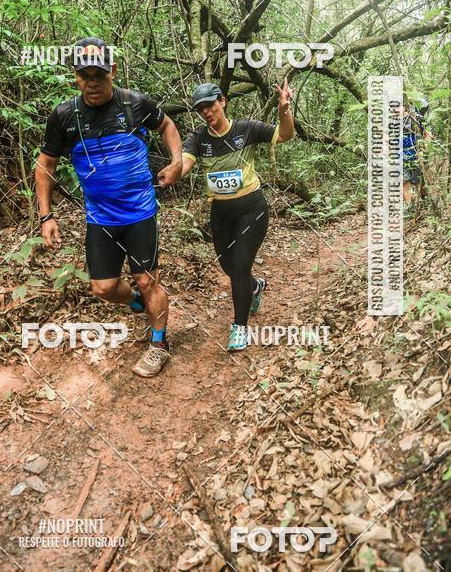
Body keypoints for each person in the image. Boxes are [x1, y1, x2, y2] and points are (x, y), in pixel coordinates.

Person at [35, 37, 183, 378]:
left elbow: (167, 125)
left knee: (147, 280)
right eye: (84, 75)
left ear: (112, 71)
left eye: (99, 75)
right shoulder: (64, 117)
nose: (92, 83)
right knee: (103, 288)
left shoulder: (134, 104)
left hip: (140, 213)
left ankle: (159, 344)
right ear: (75, 76)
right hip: (100, 218)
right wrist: (46, 216)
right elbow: (46, 165)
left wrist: (176, 162)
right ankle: (138, 304)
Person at [181, 80, 294, 351]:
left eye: (210, 105)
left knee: (240, 266)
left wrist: (284, 110)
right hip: (220, 213)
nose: (206, 112)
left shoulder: (246, 128)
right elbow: (184, 164)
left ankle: (239, 328)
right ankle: (255, 287)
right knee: (229, 268)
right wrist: (169, 175)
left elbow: (284, 135)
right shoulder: (199, 137)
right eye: (200, 109)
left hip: (251, 209)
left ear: (222, 101)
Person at [403, 97, 431, 207]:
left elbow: (428, 134)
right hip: (401, 154)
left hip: (417, 152)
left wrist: (424, 149)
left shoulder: (419, 118)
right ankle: (411, 206)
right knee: (404, 180)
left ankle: (422, 201)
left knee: (419, 180)